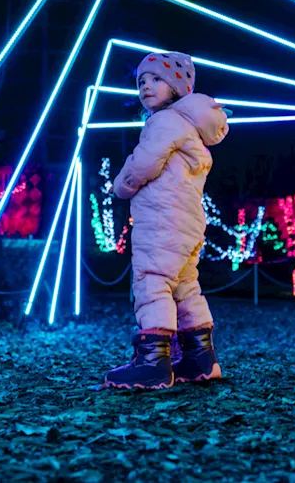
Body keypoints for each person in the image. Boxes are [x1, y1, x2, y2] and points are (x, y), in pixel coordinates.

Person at [104, 51, 229, 389]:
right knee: (186, 284)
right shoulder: (190, 128)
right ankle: (200, 356)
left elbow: (145, 162)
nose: (146, 86)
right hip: (187, 222)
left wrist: (121, 185)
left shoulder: (164, 122)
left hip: (162, 219)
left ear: (177, 87)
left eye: (156, 79)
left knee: (152, 280)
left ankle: (153, 361)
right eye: (142, 81)